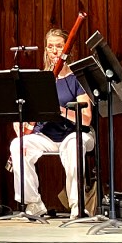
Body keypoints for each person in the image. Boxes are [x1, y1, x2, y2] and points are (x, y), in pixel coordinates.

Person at [9, 28, 95, 218]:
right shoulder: (40, 80)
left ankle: (77, 205)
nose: (55, 51)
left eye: (59, 46)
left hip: (75, 134)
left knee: (73, 145)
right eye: (50, 47)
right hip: (46, 136)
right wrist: (20, 122)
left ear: (67, 50)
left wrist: (59, 110)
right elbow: (28, 111)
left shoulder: (77, 79)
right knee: (17, 145)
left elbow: (86, 118)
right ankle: (33, 203)